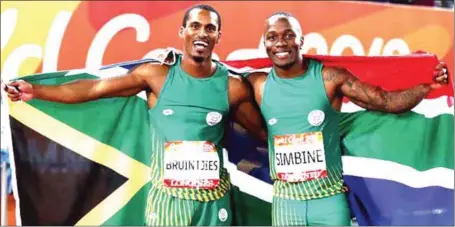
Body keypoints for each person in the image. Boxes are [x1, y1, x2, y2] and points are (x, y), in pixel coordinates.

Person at [3, 4, 267, 226]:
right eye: (195, 26)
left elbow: (264, 133)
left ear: (218, 35)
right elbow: (96, 88)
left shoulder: (231, 87)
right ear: (182, 31)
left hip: (213, 206)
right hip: (168, 204)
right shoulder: (155, 75)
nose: (202, 33)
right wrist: (36, 90)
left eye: (210, 28)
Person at [244, 12, 449, 226]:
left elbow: (386, 101)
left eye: (288, 35)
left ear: (301, 40)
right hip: (286, 205)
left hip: (329, 203)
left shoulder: (329, 79)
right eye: (272, 37)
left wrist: (427, 87)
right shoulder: (258, 86)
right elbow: (216, 91)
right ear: (265, 43)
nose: (280, 43)